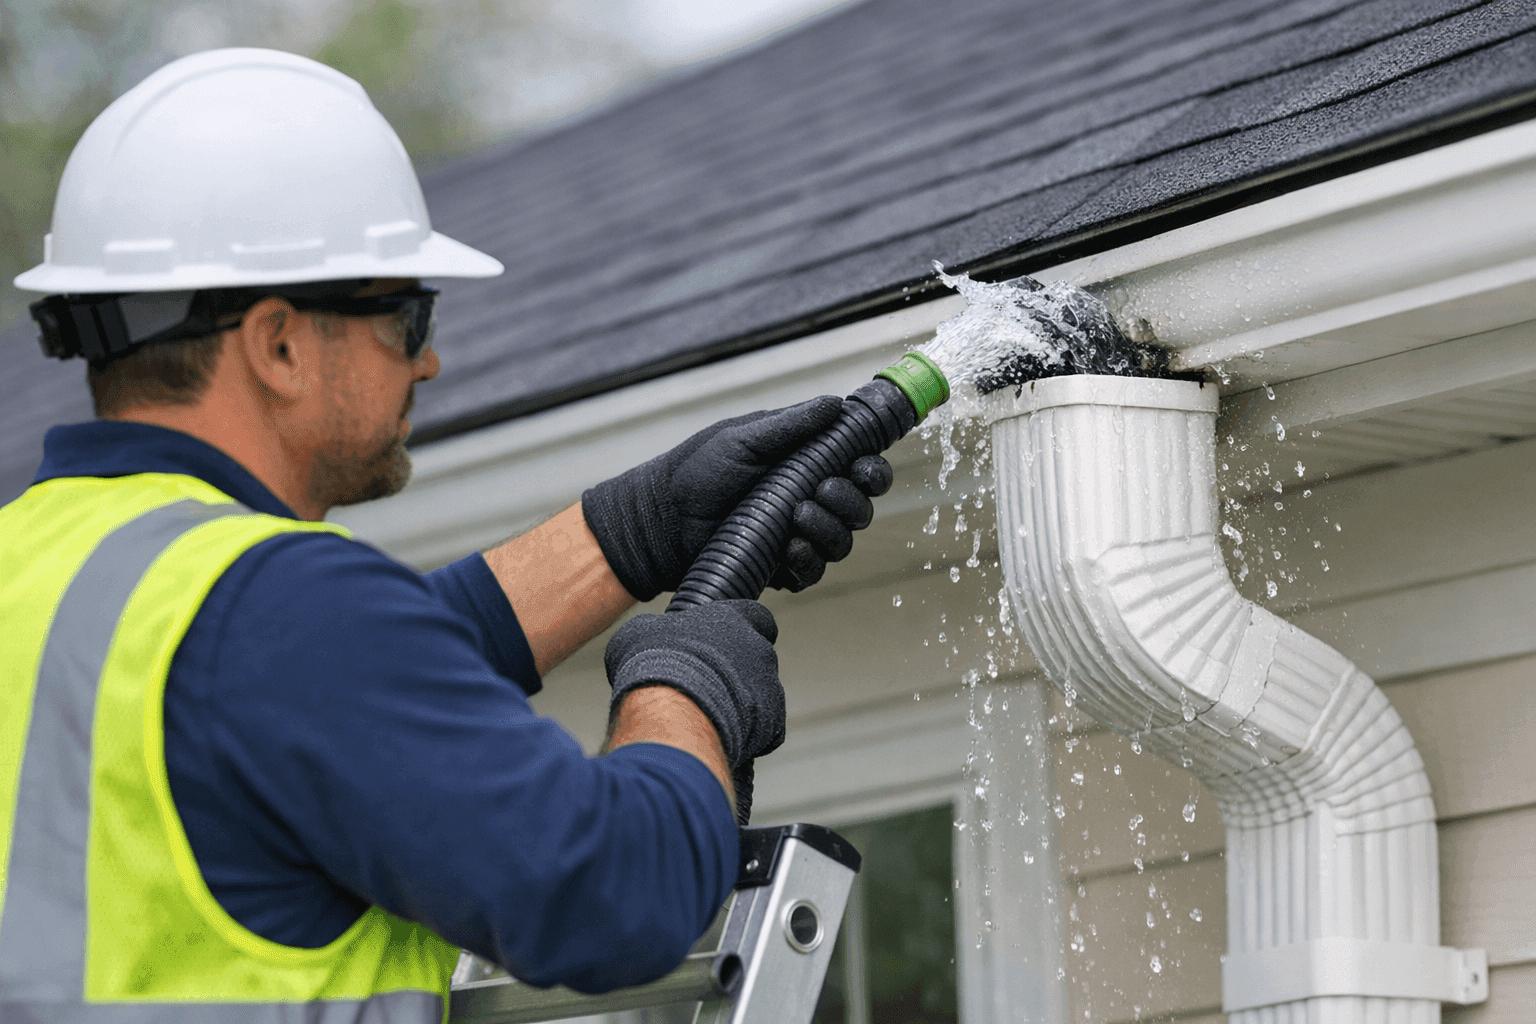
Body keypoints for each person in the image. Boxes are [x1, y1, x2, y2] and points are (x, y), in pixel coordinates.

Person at [0, 49, 892, 1021]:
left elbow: (331, 687)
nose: (428, 360)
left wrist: (631, 533)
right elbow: (615, 893)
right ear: (279, 344)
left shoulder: (52, 573)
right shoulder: (275, 613)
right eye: (405, 314)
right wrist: (691, 691)